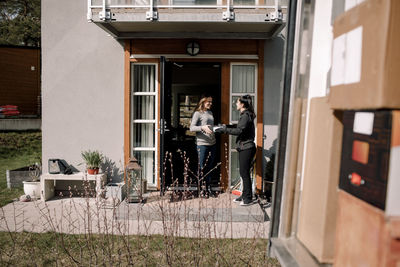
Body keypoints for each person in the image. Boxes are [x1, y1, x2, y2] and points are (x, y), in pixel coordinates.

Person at [215, 95, 256, 206]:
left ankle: (248, 199)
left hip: (246, 147)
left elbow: (239, 130)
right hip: (245, 147)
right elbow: (239, 126)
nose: (236, 104)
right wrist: (225, 126)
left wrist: (224, 130)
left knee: (244, 173)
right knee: (244, 173)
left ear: (242, 104)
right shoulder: (245, 115)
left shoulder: (246, 115)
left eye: (237, 102)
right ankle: (245, 194)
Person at [190, 96, 217, 198]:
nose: (210, 103)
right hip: (202, 144)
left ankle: (208, 188)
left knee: (209, 167)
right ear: (203, 102)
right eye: (208, 102)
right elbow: (192, 128)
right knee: (201, 167)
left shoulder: (210, 113)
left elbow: (210, 127)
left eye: (211, 102)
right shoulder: (197, 113)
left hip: (212, 143)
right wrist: (202, 127)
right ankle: (201, 189)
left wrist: (217, 128)